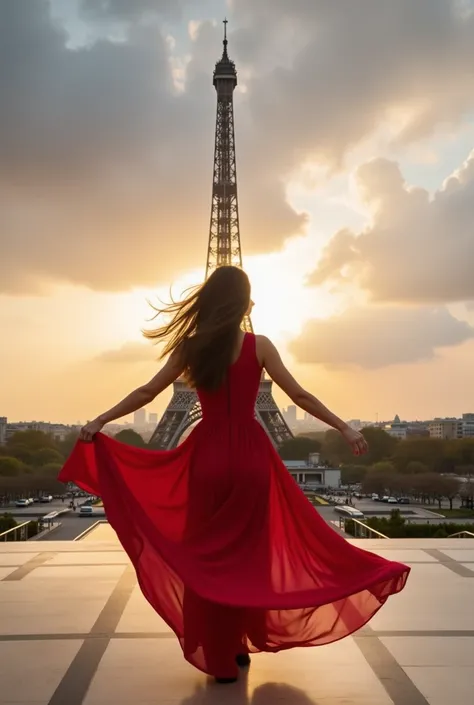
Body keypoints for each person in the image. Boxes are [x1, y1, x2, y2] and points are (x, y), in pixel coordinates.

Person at [59, 266, 410, 684]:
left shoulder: (191, 348)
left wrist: (100, 420)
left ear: (207, 301)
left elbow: (145, 393)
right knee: (249, 555)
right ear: (244, 303)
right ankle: (244, 641)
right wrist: (345, 427)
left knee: (207, 556)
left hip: (205, 458)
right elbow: (299, 394)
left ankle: (220, 652)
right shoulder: (259, 346)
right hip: (250, 460)